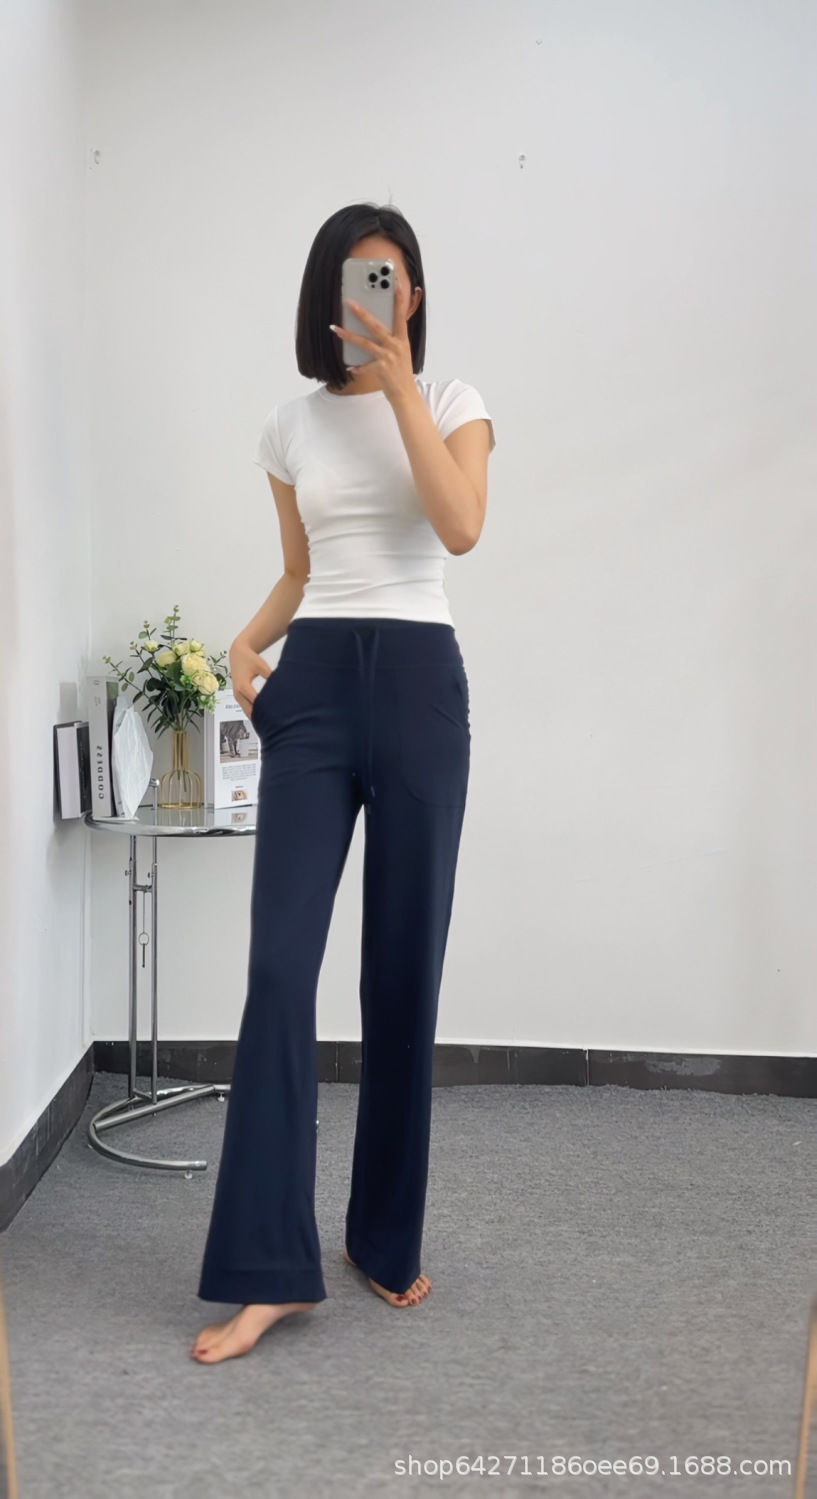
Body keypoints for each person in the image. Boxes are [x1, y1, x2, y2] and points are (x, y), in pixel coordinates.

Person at [190, 202, 495, 1364]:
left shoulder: (455, 401)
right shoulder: (289, 425)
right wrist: (242, 644)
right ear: (330, 293)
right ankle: (270, 1270)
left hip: (418, 687)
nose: (382, 294)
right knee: (279, 965)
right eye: (362, 277)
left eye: (396, 277)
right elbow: (301, 568)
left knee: (401, 971)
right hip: (313, 685)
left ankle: (381, 1235)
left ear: (413, 295)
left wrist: (401, 383)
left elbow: (460, 527)